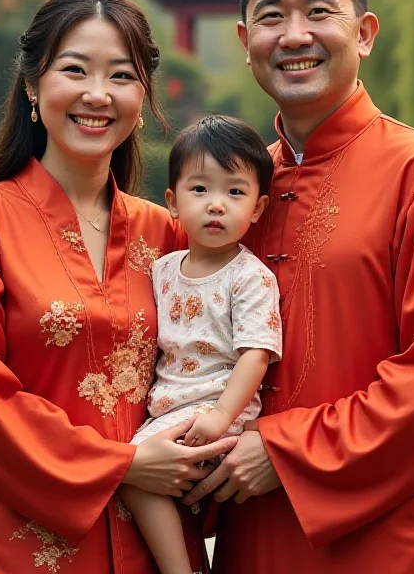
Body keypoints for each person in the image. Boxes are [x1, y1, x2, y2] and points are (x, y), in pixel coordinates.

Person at [183, 0, 414, 574]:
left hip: (392, 540)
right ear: (246, 41)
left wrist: (287, 452)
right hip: (254, 532)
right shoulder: (239, 198)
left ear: (364, 33)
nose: (295, 35)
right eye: (272, 17)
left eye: (318, 11)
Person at [0, 0, 236, 574]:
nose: (98, 94)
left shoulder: (167, 233)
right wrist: (122, 465)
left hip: (159, 542)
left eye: (121, 75)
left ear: (141, 99)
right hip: (32, 545)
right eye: (74, 70)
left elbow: (218, 358)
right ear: (33, 87)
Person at [119, 116, 282, 574]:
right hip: (170, 409)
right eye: (199, 190)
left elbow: (256, 354)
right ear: (172, 202)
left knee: (132, 474)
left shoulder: (250, 278)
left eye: (234, 192)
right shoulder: (163, 269)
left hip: (216, 412)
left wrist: (221, 417)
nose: (216, 206)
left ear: (257, 207)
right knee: (140, 473)